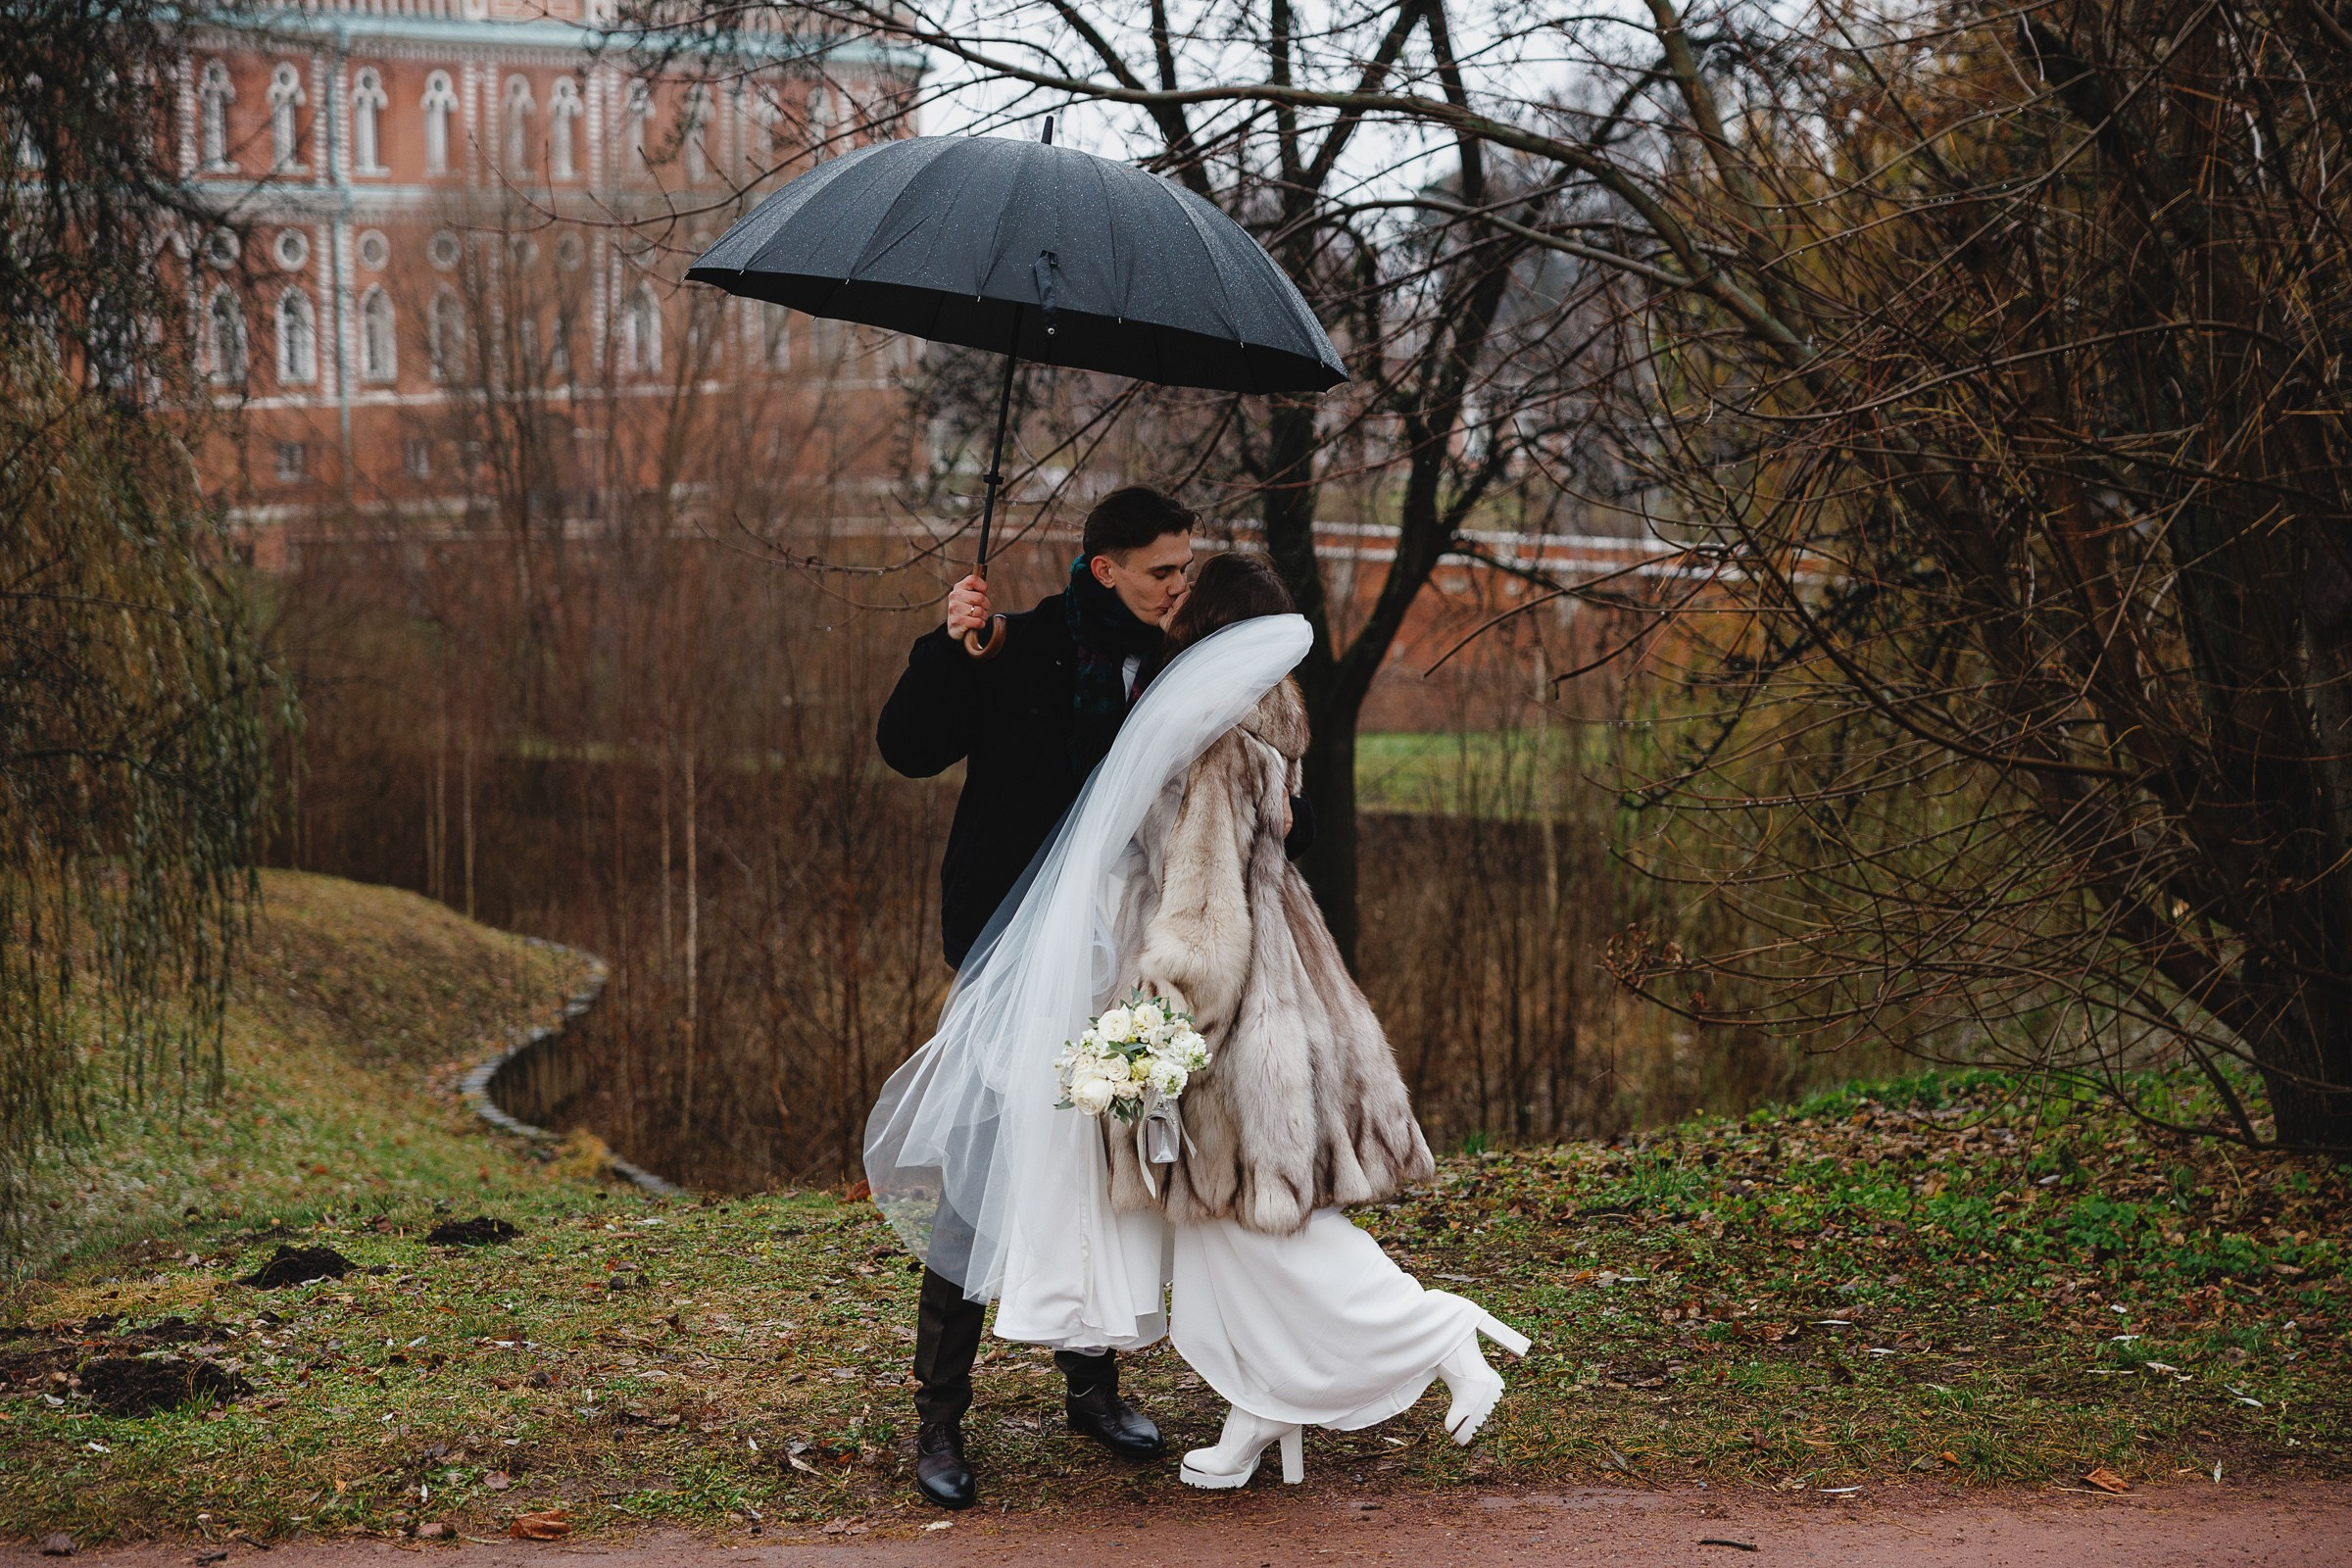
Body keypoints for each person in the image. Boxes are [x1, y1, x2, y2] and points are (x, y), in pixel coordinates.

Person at [873, 488, 1310, 1510]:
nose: (1178, 584)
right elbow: (906, 745)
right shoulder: (1011, 646)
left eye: (1185, 567)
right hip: (1009, 947)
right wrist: (948, 644)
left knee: (1103, 1151)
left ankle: (1092, 1383)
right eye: (1162, 569)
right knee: (981, 1165)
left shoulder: (1181, 660)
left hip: (1127, 946)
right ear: (1104, 566)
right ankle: (939, 1415)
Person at [1101, 554, 1529, 1488]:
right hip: (1283, 968)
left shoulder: (1216, 734)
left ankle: (1439, 1332)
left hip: (1235, 993)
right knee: (1220, 1219)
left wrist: (1165, 1022)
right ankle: (1262, 1403)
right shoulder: (1269, 714)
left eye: (1185, 599)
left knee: (1264, 1216)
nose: (1168, 608)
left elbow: (1207, 899)